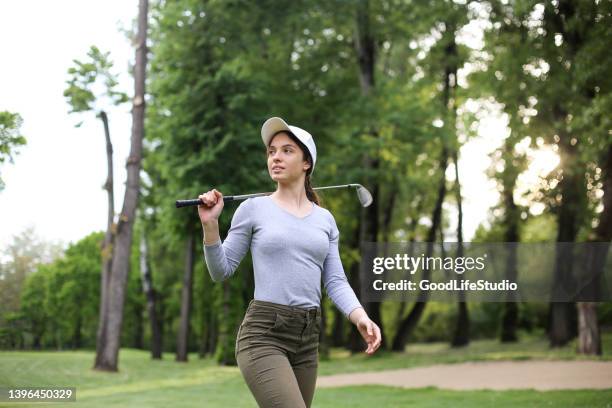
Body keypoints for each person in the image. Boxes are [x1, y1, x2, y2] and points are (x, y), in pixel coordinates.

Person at [198, 116, 382, 408]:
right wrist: (210, 227)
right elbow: (221, 270)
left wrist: (360, 317)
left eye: (287, 150)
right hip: (263, 334)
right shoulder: (253, 209)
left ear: (306, 162)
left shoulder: (325, 220)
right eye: (271, 151)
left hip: (307, 339)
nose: (276, 158)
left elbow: (335, 280)